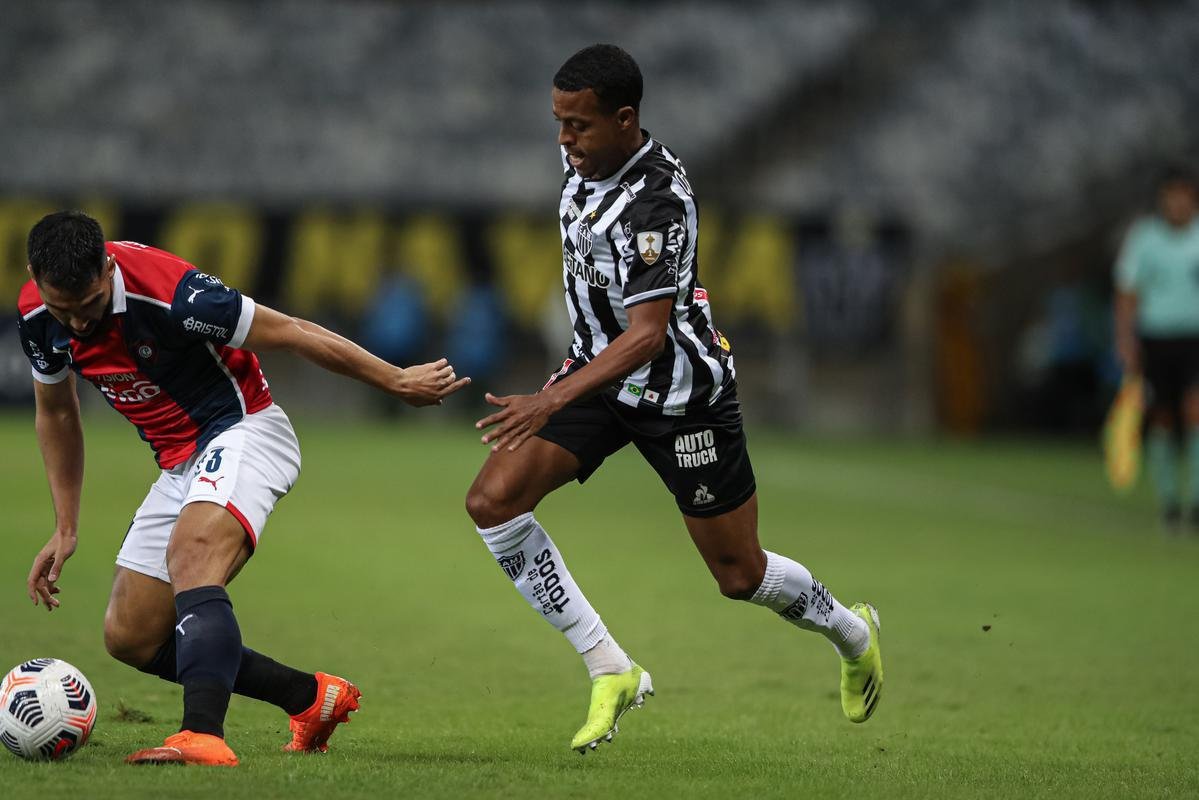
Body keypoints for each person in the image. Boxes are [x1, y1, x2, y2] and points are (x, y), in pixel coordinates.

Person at [466, 44, 883, 754]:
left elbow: (649, 337)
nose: (564, 140)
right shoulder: (584, 162)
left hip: (679, 395)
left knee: (738, 573)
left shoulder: (657, 201)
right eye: (558, 123)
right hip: (598, 379)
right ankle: (610, 667)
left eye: (578, 125)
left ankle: (851, 632)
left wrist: (548, 399)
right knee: (492, 501)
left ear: (625, 120)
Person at [17, 211, 469, 766]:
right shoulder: (38, 314)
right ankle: (308, 698)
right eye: (64, 309)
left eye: (88, 306)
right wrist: (66, 526)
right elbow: (58, 414)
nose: (77, 324)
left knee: (193, 556)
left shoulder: (175, 296)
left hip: (245, 428)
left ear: (108, 268)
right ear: (34, 276)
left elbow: (294, 332)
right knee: (131, 634)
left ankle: (201, 736)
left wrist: (394, 379)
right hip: (179, 462)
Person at [1114, 166, 1199, 531]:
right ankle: (1169, 501)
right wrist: (1125, 339)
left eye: (1184, 195)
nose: (1178, 203)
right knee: (1162, 417)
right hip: (1156, 337)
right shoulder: (1145, 238)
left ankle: (1196, 499)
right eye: (1171, 195)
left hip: (1195, 336)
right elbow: (1128, 292)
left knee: (1195, 411)